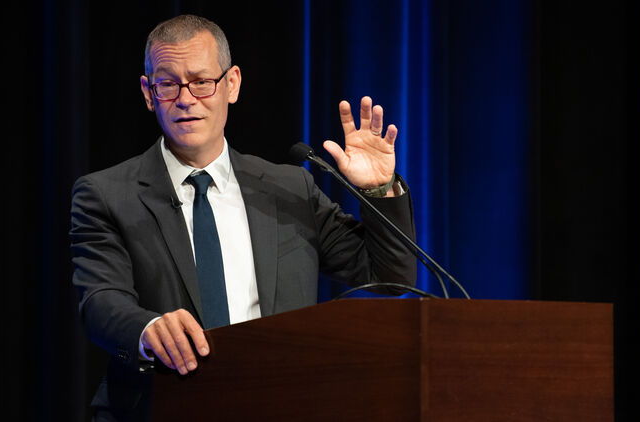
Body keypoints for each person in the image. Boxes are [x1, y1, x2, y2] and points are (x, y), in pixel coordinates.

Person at [70, 14, 417, 421]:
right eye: (168, 84)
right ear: (149, 93)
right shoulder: (107, 194)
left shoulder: (290, 189)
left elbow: (391, 276)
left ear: (231, 84)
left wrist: (378, 189)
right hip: (160, 406)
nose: (186, 99)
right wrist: (148, 328)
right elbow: (101, 301)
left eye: (202, 81)